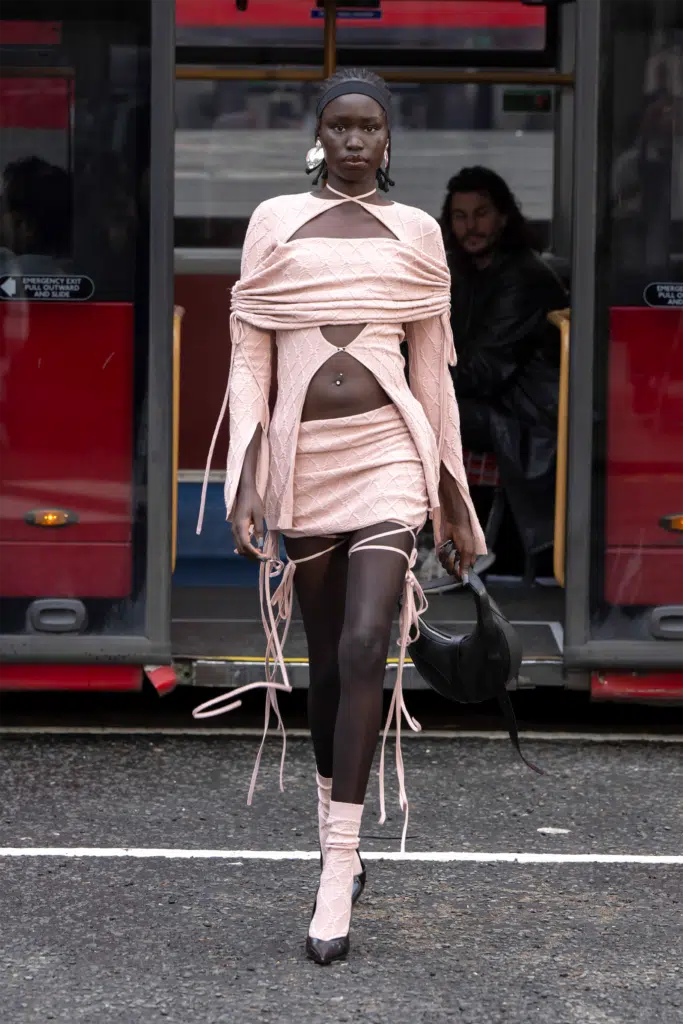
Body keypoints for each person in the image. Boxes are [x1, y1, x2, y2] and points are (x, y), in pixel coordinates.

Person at [195, 69, 485, 965]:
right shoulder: (273, 222)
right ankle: (333, 817)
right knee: (326, 664)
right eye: (340, 126)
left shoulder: (419, 232)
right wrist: (245, 471)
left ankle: (338, 861)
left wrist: (449, 493)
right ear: (319, 136)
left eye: (371, 127)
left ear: (389, 140)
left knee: (366, 645)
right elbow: (250, 357)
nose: (356, 140)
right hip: (301, 460)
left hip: (389, 454)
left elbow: (432, 370)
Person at [440, 166, 567, 569]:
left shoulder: (521, 278)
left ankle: (446, 543)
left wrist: (412, 382)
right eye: (460, 216)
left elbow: (485, 373)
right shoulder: (467, 271)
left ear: (504, 218)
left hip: (523, 418)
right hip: (497, 404)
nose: (470, 226)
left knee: (413, 413)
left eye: (481, 213)